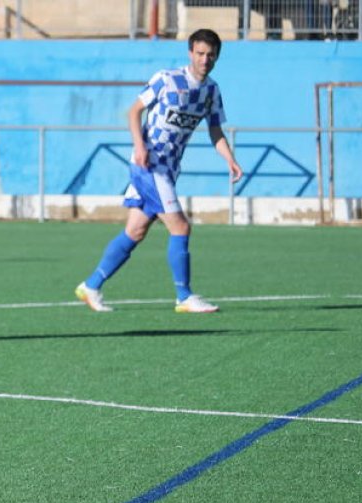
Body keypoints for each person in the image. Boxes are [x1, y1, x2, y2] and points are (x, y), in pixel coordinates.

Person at [75, 28, 243, 314]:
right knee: (180, 226)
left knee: (136, 230)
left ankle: (90, 286)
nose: (205, 59)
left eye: (210, 55)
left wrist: (230, 159)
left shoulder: (211, 91)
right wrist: (139, 146)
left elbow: (215, 130)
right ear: (190, 53)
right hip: (149, 166)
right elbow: (133, 111)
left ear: (217, 57)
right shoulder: (167, 79)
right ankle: (184, 296)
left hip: (168, 169)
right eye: (200, 53)